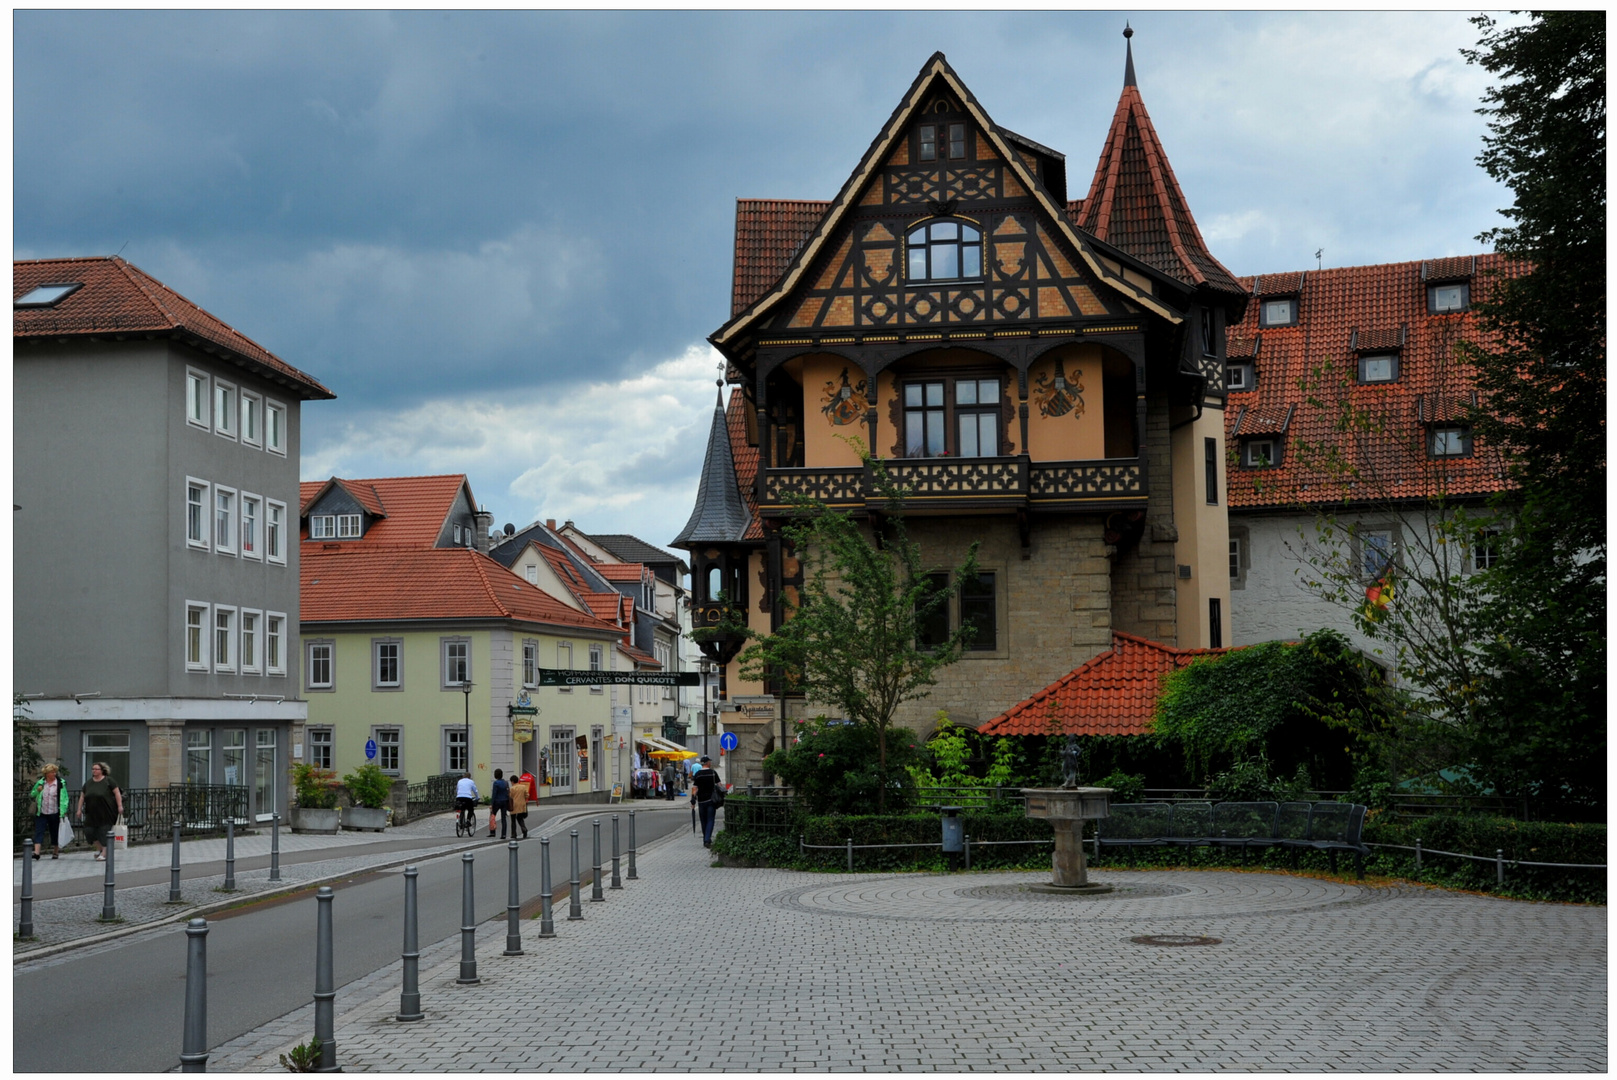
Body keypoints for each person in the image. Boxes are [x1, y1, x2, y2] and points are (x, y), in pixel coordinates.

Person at [76, 761, 123, 861]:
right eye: (93, 769)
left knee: (103, 831)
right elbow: (82, 796)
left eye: (96, 769)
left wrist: (120, 806)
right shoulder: (88, 783)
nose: (94, 771)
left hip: (106, 811)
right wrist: (79, 809)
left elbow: (117, 793)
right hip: (91, 812)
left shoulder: (108, 781)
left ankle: (104, 853)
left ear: (102, 770)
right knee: (89, 831)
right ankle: (100, 848)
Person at [29, 764, 68, 860]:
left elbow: (64, 798)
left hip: (55, 812)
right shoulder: (41, 783)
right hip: (41, 812)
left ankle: (55, 851)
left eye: (55, 772)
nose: (54, 774)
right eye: (52, 772)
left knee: (54, 832)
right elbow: (32, 794)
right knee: (39, 831)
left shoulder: (60, 783)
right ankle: (37, 853)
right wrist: (38, 791)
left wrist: (63, 811)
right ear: (46, 774)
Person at [691, 756, 723, 847]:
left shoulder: (698, 774)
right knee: (710, 819)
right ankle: (707, 839)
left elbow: (694, 788)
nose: (710, 763)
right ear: (707, 763)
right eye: (709, 761)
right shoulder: (713, 773)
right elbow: (720, 785)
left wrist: (693, 800)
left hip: (701, 800)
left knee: (703, 820)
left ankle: (706, 838)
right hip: (711, 799)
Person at [489, 768, 511, 839]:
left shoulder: (496, 783)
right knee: (503, 818)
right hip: (504, 801)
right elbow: (508, 792)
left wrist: (492, 803)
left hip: (497, 801)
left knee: (492, 816)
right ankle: (503, 834)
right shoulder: (506, 782)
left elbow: (494, 794)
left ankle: (492, 831)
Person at [508, 772, 530, 838]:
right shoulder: (523, 787)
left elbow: (510, 797)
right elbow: (527, 795)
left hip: (513, 805)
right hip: (522, 805)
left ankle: (513, 834)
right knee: (520, 818)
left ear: (512, 781)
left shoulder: (512, 789)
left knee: (513, 820)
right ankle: (524, 829)